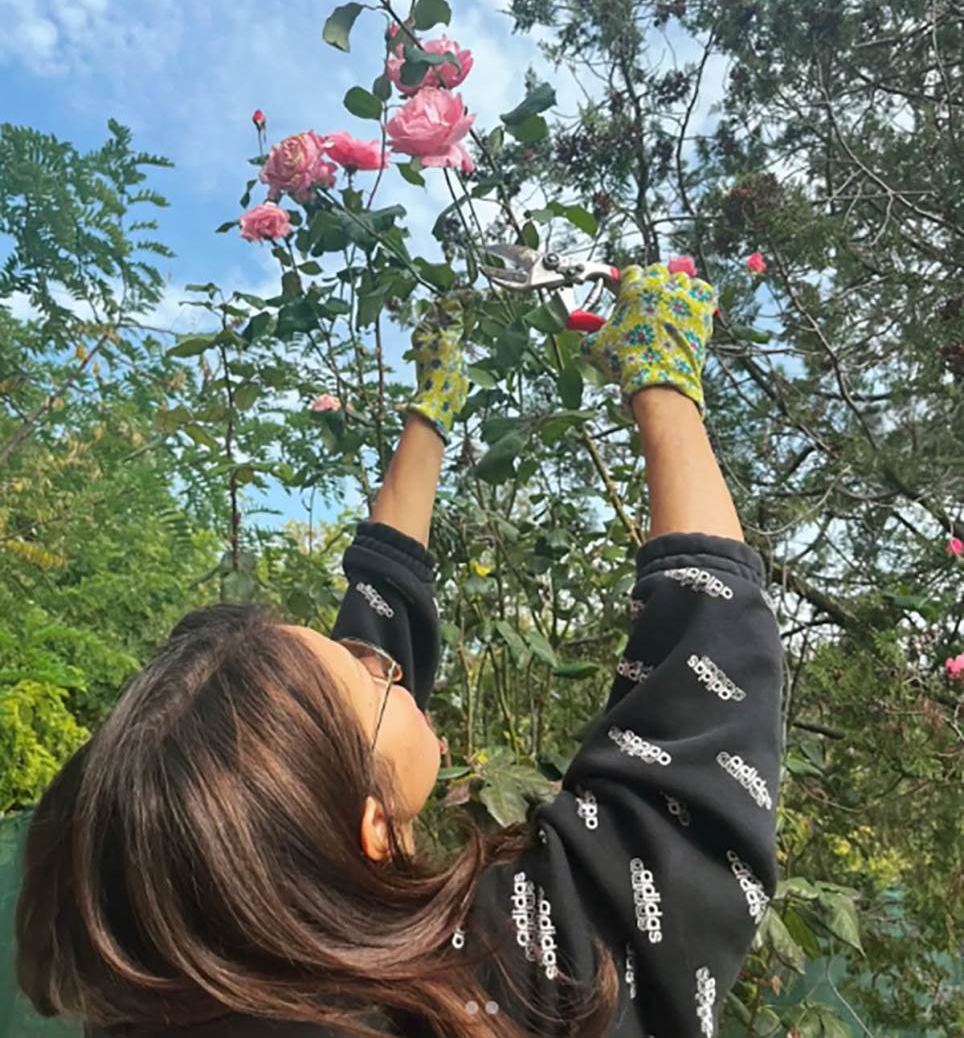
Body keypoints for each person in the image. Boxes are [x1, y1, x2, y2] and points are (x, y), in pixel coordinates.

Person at [10, 264, 783, 1037]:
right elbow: (698, 723)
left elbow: (348, 690)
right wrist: (665, 381)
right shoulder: (511, 990)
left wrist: (432, 408)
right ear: (371, 827)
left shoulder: (182, 969)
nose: (381, 660)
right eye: (370, 678)